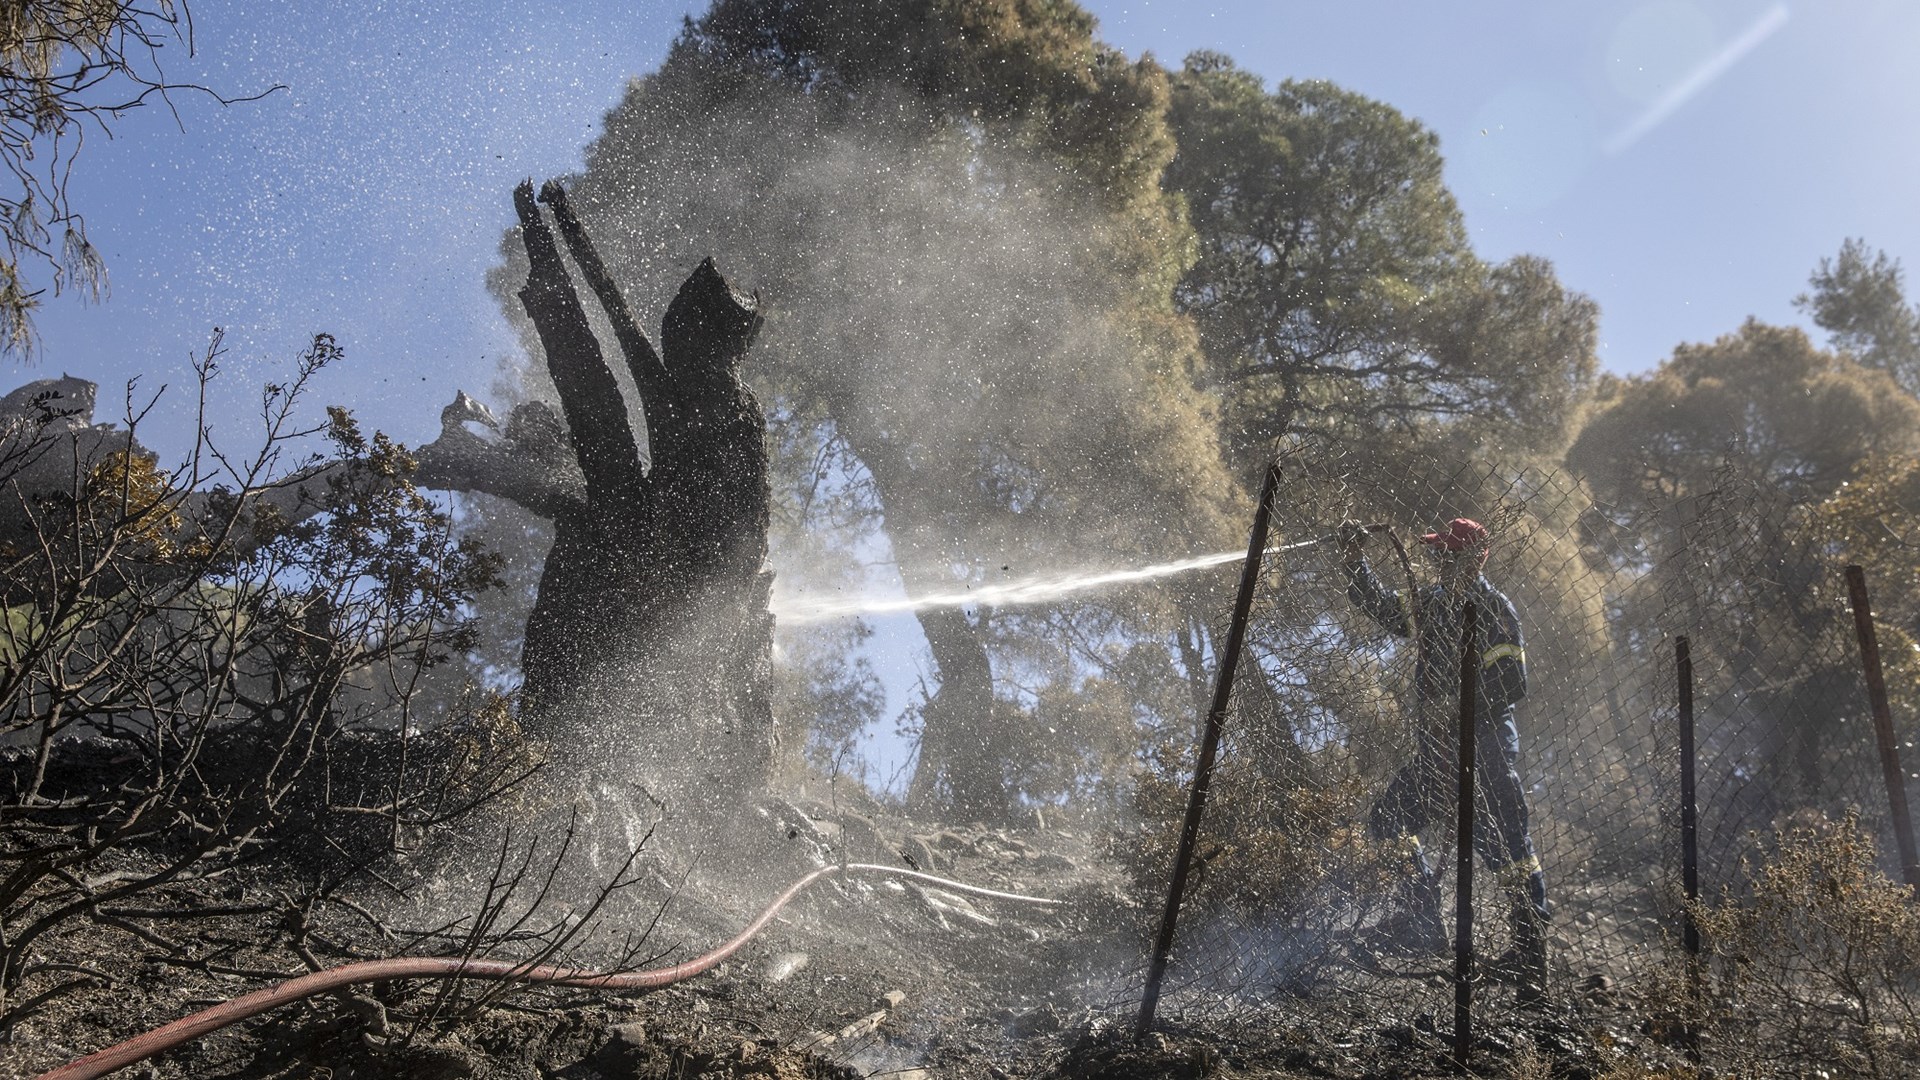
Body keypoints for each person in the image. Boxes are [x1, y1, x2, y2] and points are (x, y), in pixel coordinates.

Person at [1341, 517, 1549, 998]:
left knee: (1512, 857)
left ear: (1473, 559)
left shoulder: (1493, 607)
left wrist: (1453, 704)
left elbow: (1512, 682)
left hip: (1486, 755)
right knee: (1389, 822)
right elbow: (1386, 610)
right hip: (1437, 757)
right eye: (1436, 555)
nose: (1438, 562)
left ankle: (1530, 961)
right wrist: (1354, 561)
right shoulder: (1433, 603)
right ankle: (1422, 922)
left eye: (1447, 555)